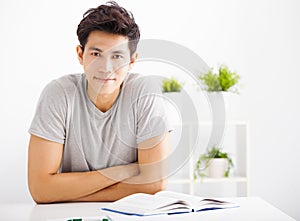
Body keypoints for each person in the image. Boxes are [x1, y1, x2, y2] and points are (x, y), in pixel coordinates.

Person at [27, 1, 171, 203]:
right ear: (80, 54)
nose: (106, 68)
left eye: (117, 56)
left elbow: (155, 184)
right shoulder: (58, 94)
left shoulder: (145, 93)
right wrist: (124, 171)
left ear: (132, 61)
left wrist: (66, 193)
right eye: (96, 54)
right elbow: (40, 189)